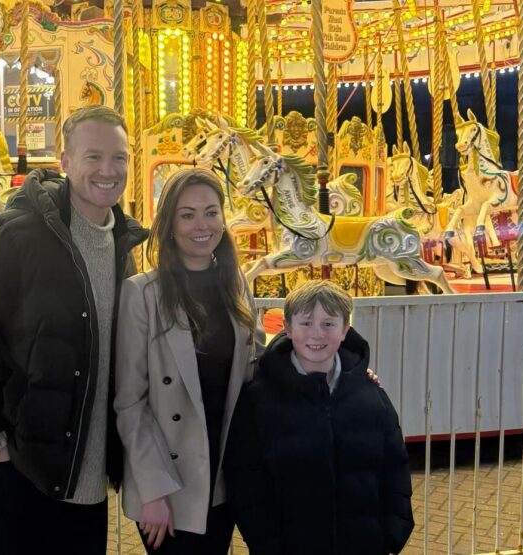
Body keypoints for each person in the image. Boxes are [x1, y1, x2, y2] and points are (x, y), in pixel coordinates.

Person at [0, 105, 147, 554]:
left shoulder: (122, 245)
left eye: (119, 158)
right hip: (16, 474)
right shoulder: (14, 238)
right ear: (64, 161)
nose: (108, 170)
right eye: (93, 157)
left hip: (85, 481)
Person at [114, 168, 264, 554]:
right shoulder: (142, 293)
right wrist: (152, 490)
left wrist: (340, 370)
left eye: (211, 212)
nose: (203, 225)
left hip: (223, 474)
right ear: (169, 224)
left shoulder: (236, 284)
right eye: (188, 214)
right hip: (170, 482)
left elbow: (257, 366)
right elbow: (130, 402)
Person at [224, 280, 414, 555]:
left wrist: (393, 531)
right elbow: (247, 480)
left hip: (364, 544)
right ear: (288, 328)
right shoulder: (259, 400)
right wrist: (267, 543)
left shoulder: (370, 394)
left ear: (345, 330)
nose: (317, 334)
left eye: (328, 324)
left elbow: (395, 465)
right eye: (306, 323)